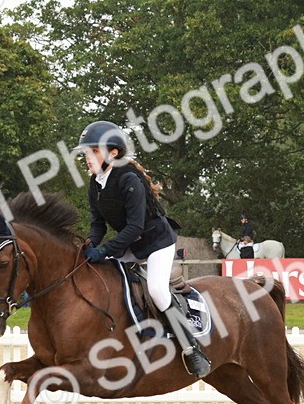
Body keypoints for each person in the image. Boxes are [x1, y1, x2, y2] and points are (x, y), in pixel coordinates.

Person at [78, 120, 211, 378]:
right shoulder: (95, 184)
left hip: (156, 242)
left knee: (158, 290)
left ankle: (191, 349)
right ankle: (139, 330)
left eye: (93, 152)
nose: (87, 158)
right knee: (106, 279)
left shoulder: (128, 179)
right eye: (86, 153)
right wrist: (90, 245)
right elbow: (97, 225)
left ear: (113, 153)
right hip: (131, 244)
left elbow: (135, 227)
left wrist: (105, 250)